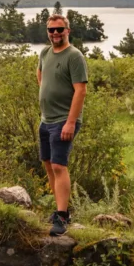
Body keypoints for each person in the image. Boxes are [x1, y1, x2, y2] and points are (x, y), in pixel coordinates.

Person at [36, 14, 88, 236]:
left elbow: (81, 91)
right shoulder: (45, 53)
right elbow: (41, 76)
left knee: (59, 166)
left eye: (59, 29)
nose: (55, 33)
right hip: (46, 119)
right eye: (51, 30)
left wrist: (70, 122)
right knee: (48, 164)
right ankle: (60, 209)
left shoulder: (74, 56)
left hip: (63, 120)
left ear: (68, 31)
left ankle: (62, 217)